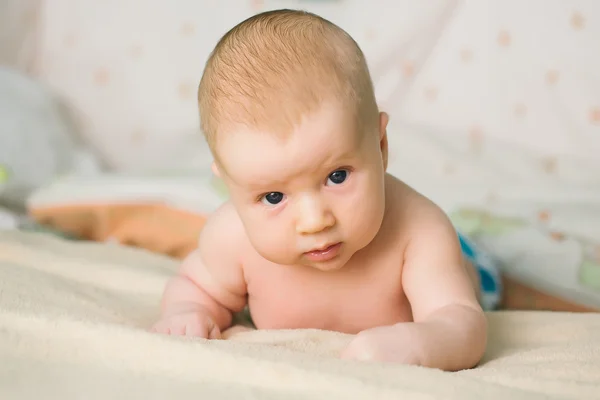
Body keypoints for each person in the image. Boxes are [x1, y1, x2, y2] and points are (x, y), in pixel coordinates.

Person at [151, 9, 501, 371]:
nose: (314, 221)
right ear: (229, 186)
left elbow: (461, 322)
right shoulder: (230, 240)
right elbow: (196, 285)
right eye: (273, 197)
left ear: (380, 146)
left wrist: (425, 342)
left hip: (463, 263)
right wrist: (188, 310)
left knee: (466, 268)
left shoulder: (419, 232)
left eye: (337, 177)